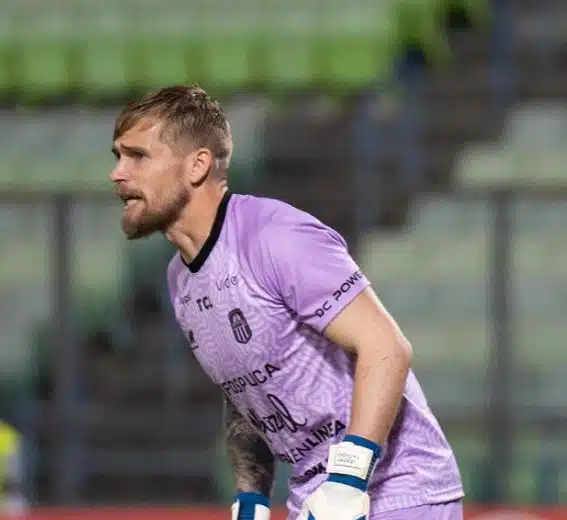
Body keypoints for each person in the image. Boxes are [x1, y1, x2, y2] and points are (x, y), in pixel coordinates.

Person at [110, 85, 464, 520]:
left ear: (197, 165)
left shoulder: (276, 236)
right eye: (118, 157)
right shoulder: (180, 279)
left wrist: (347, 485)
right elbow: (245, 390)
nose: (118, 173)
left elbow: (387, 347)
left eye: (138, 156)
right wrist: (251, 497)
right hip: (315, 496)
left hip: (396, 491)